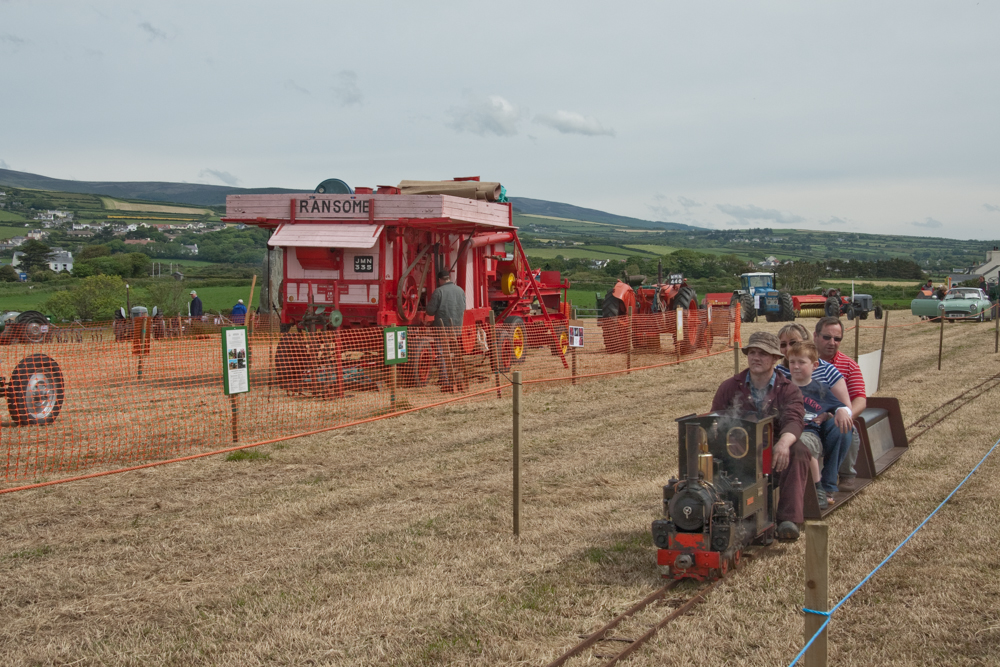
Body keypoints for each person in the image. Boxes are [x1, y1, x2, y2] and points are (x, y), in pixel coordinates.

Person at [711, 331, 808, 541]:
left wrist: (783, 443)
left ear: (775, 358)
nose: (756, 357)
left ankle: (787, 520)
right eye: (752, 352)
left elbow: (794, 419)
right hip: (736, 452)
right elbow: (715, 419)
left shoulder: (788, 389)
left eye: (763, 353)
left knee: (798, 450)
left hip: (772, 453)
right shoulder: (729, 386)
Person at [776, 322, 853, 496]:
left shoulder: (822, 381)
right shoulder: (779, 378)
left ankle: (827, 484)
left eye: (793, 343)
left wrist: (838, 411)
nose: (788, 349)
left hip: (814, 429)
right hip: (788, 427)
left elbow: (843, 405)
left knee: (843, 427)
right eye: (783, 344)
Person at [813, 316, 866, 487]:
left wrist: (846, 415)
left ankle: (833, 479)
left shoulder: (849, 365)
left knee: (843, 426)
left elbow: (860, 399)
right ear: (815, 336)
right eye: (826, 337)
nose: (832, 342)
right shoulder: (800, 362)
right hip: (808, 417)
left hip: (834, 418)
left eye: (837, 339)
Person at [426, 269, 466, 391]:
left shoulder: (438, 292)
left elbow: (430, 311)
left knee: (441, 354)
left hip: (441, 329)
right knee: (455, 354)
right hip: (456, 328)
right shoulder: (460, 290)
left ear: (439, 280)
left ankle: (444, 378)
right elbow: (463, 307)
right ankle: (458, 377)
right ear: (449, 277)